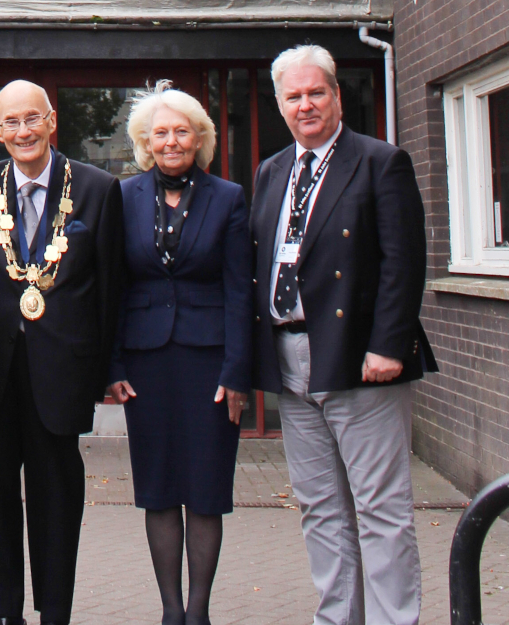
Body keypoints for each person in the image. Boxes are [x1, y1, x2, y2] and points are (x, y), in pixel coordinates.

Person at [251, 44, 438, 625]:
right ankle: (338, 618)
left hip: (361, 359)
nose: (305, 105)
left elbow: (403, 262)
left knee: (380, 508)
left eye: (316, 93)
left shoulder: (381, 161)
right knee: (320, 509)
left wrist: (388, 344)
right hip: (290, 356)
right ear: (279, 105)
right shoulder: (272, 170)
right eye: (293, 97)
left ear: (336, 95)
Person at [0, 79, 125, 625]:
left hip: (60, 373)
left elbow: (111, 289)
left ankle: (55, 611)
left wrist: (108, 371)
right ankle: (1, 613)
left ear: (51, 120)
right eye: (10, 123)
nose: (23, 132)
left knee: (57, 498)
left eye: (31, 119)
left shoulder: (95, 188)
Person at [106, 81, 252, 625]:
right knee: (160, 488)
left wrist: (239, 371)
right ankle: (170, 610)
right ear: (146, 141)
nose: (171, 141)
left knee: (206, 488)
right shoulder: (123, 197)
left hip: (210, 363)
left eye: (181, 131)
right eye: (160, 132)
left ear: (200, 137)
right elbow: (114, 287)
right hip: (146, 362)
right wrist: (113, 365)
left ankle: (198, 611)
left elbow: (241, 290)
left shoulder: (229, 197)